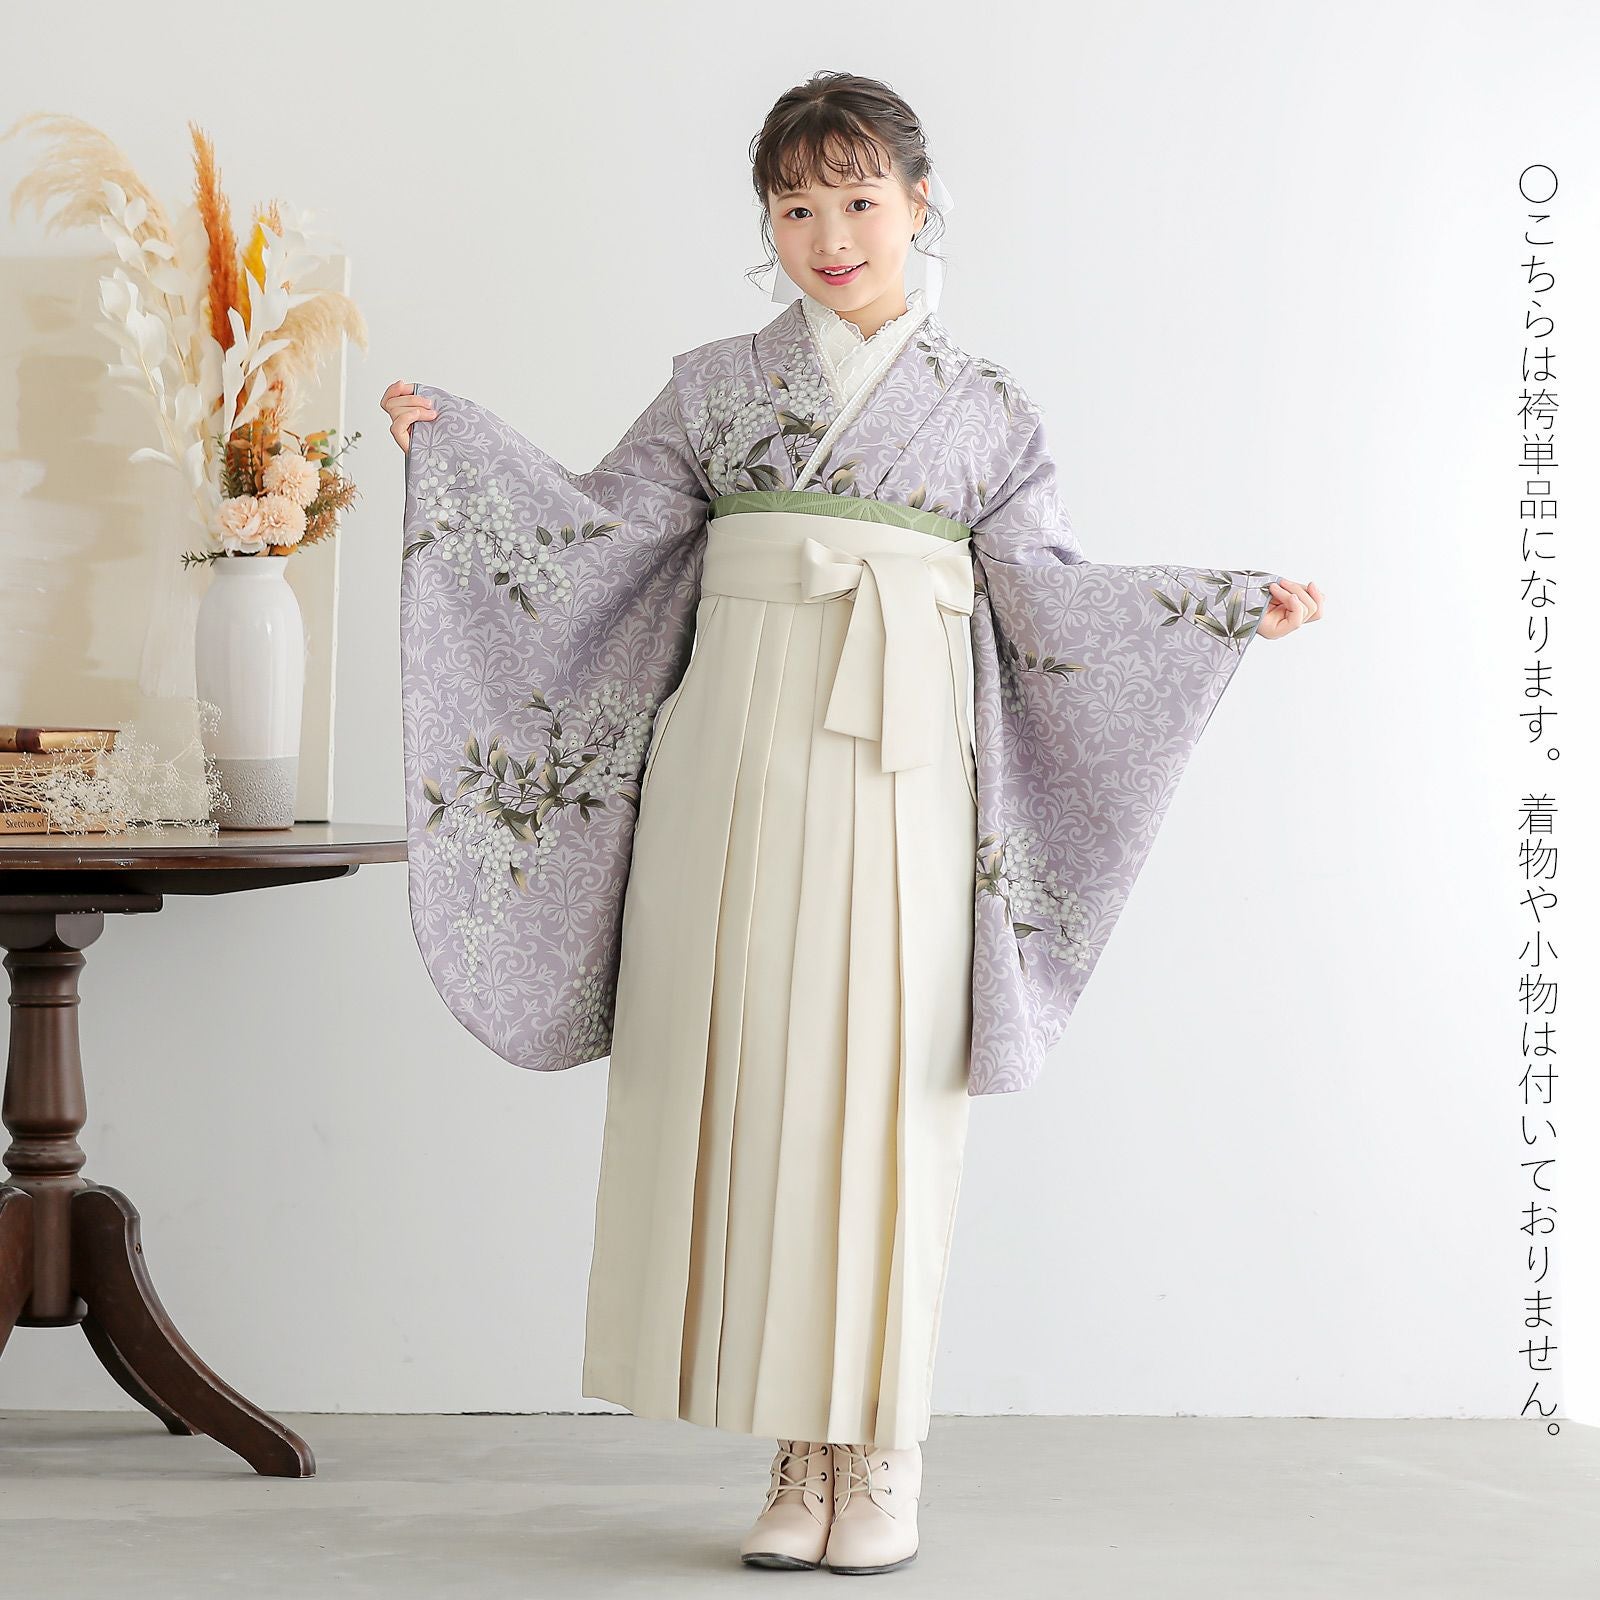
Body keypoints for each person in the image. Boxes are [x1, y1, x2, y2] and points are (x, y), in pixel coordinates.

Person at [385, 69, 1321, 1579]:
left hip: (905, 770)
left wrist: (1211, 609)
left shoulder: (989, 412)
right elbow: (597, 536)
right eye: (797, 206)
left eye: (859, 199)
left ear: (920, 201)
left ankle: (881, 1452)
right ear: (768, 220)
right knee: (758, 1089)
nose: (831, 236)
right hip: (729, 764)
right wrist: (462, 452)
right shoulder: (713, 387)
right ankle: (794, 1448)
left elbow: (1051, 597)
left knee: (885, 1100)